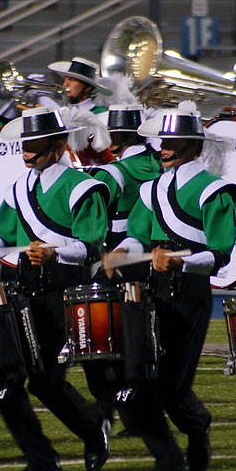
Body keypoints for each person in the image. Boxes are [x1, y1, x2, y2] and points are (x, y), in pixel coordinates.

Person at [0, 106, 111, 471]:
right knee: (5, 378)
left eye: (36, 143)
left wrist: (55, 251)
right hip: (24, 286)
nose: (28, 150)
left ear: (58, 145)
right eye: (26, 143)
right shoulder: (17, 188)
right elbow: (2, 233)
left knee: (47, 380)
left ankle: (93, 430)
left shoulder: (85, 188)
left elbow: (91, 247)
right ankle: (40, 459)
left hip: (64, 287)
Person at [114, 105, 236, 471]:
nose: (164, 148)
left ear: (193, 146)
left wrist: (181, 262)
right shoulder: (151, 188)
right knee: (136, 380)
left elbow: (220, 253)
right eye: (162, 142)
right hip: (152, 290)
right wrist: (124, 249)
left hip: (190, 292)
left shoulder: (215, 191)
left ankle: (197, 426)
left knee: (171, 386)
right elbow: (139, 232)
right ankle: (169, 464)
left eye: (172, 142)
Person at [83, 104, 162, 423]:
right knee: (143, 338)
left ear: (118, 137)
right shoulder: (159, 166)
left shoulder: (114, 172)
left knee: (105, 341)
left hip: (117, 261)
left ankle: (110, 409)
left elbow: (94, 218)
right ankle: (135, 412)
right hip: (154, 260)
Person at [47, 57, 112, 113]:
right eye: (65, 79)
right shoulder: (59, 109)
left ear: (87, 87)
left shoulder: (100, 113)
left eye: (72, 80)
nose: (65, 84)